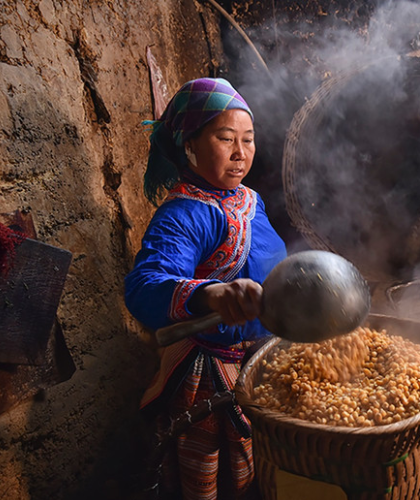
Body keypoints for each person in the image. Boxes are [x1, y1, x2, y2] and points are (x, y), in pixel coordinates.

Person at [125, 77, 287, 499]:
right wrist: (207, 293)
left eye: (248, 140)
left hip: (261, 361)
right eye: (225, 138)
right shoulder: (184, 214)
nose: (241, 153)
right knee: (223, 483)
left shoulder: (248, 199)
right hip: (214, 378)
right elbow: (145, 286)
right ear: (190, 145)